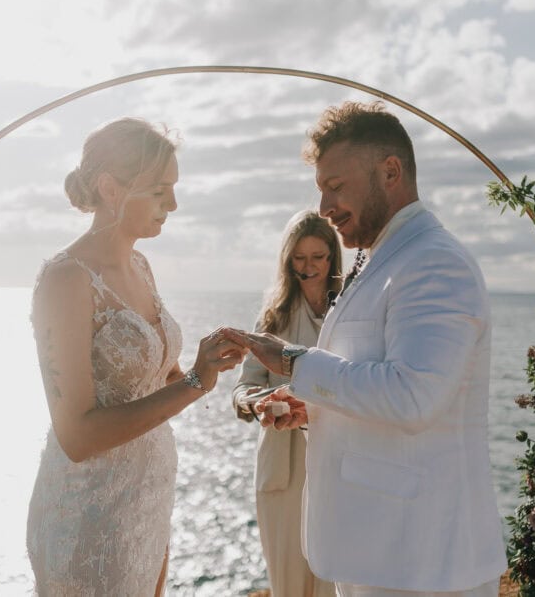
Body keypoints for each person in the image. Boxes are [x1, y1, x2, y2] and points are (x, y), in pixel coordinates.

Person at [224, 102, 507, 597]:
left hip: (422, 561)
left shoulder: (434, 262)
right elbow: (375, 380)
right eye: (321, 189)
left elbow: (413, 396)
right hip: (375, 551)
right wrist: (311, 407)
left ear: (390, 172)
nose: (323, 206)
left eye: (335, 186)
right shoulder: (384, 258)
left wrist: (291, 361)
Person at [26, 118, 245, 596]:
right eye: (160, 190)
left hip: (146, 498)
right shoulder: (66, 280)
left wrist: (202, 367)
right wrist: (194, 386)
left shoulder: (141, 267)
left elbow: (156, 384)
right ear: (111, 188)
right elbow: (78, 436)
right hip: (88, 514)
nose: (173, 204)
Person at [232, 210, 339, 597]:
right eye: (299, 257)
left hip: (334, 462)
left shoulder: (345, 315)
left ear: (332, 259)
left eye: (318, 257)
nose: (308, 267)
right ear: (287, 259)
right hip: (281, 466)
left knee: (333, 581)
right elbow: (242, 389)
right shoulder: (272, 317)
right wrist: (260, 403)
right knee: (288, 585)